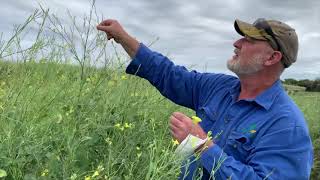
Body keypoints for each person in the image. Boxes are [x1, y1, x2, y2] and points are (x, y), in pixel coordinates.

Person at [96, 18, 313, 179]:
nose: (237, 43)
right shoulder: (219, 87)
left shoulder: (287, 126)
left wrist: (201, 145)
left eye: (249, 40)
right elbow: (169, 74)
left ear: (272, 57)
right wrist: (124, 38)